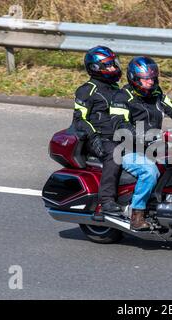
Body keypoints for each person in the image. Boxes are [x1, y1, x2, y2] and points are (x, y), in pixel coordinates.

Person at [110, 56, 172, 230]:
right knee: (149, 171)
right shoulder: (122, 97)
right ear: (134, 78)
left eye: (153, 78)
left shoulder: (157, 94)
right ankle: (137, 214)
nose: (150, 81)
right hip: (128, 149)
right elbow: (120, 126)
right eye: (146, 78)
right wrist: (145, 137)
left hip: (153, 146)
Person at [72, 46, 123, 216]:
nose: (113, 68)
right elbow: (80, 119)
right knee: (115, 153)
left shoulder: (116, 90)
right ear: (96, 68)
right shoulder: (87, 90)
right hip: (95, 139)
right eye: (108, 65)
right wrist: (94, 138)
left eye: (113, 64)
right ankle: (106, 201)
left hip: (116, 135)